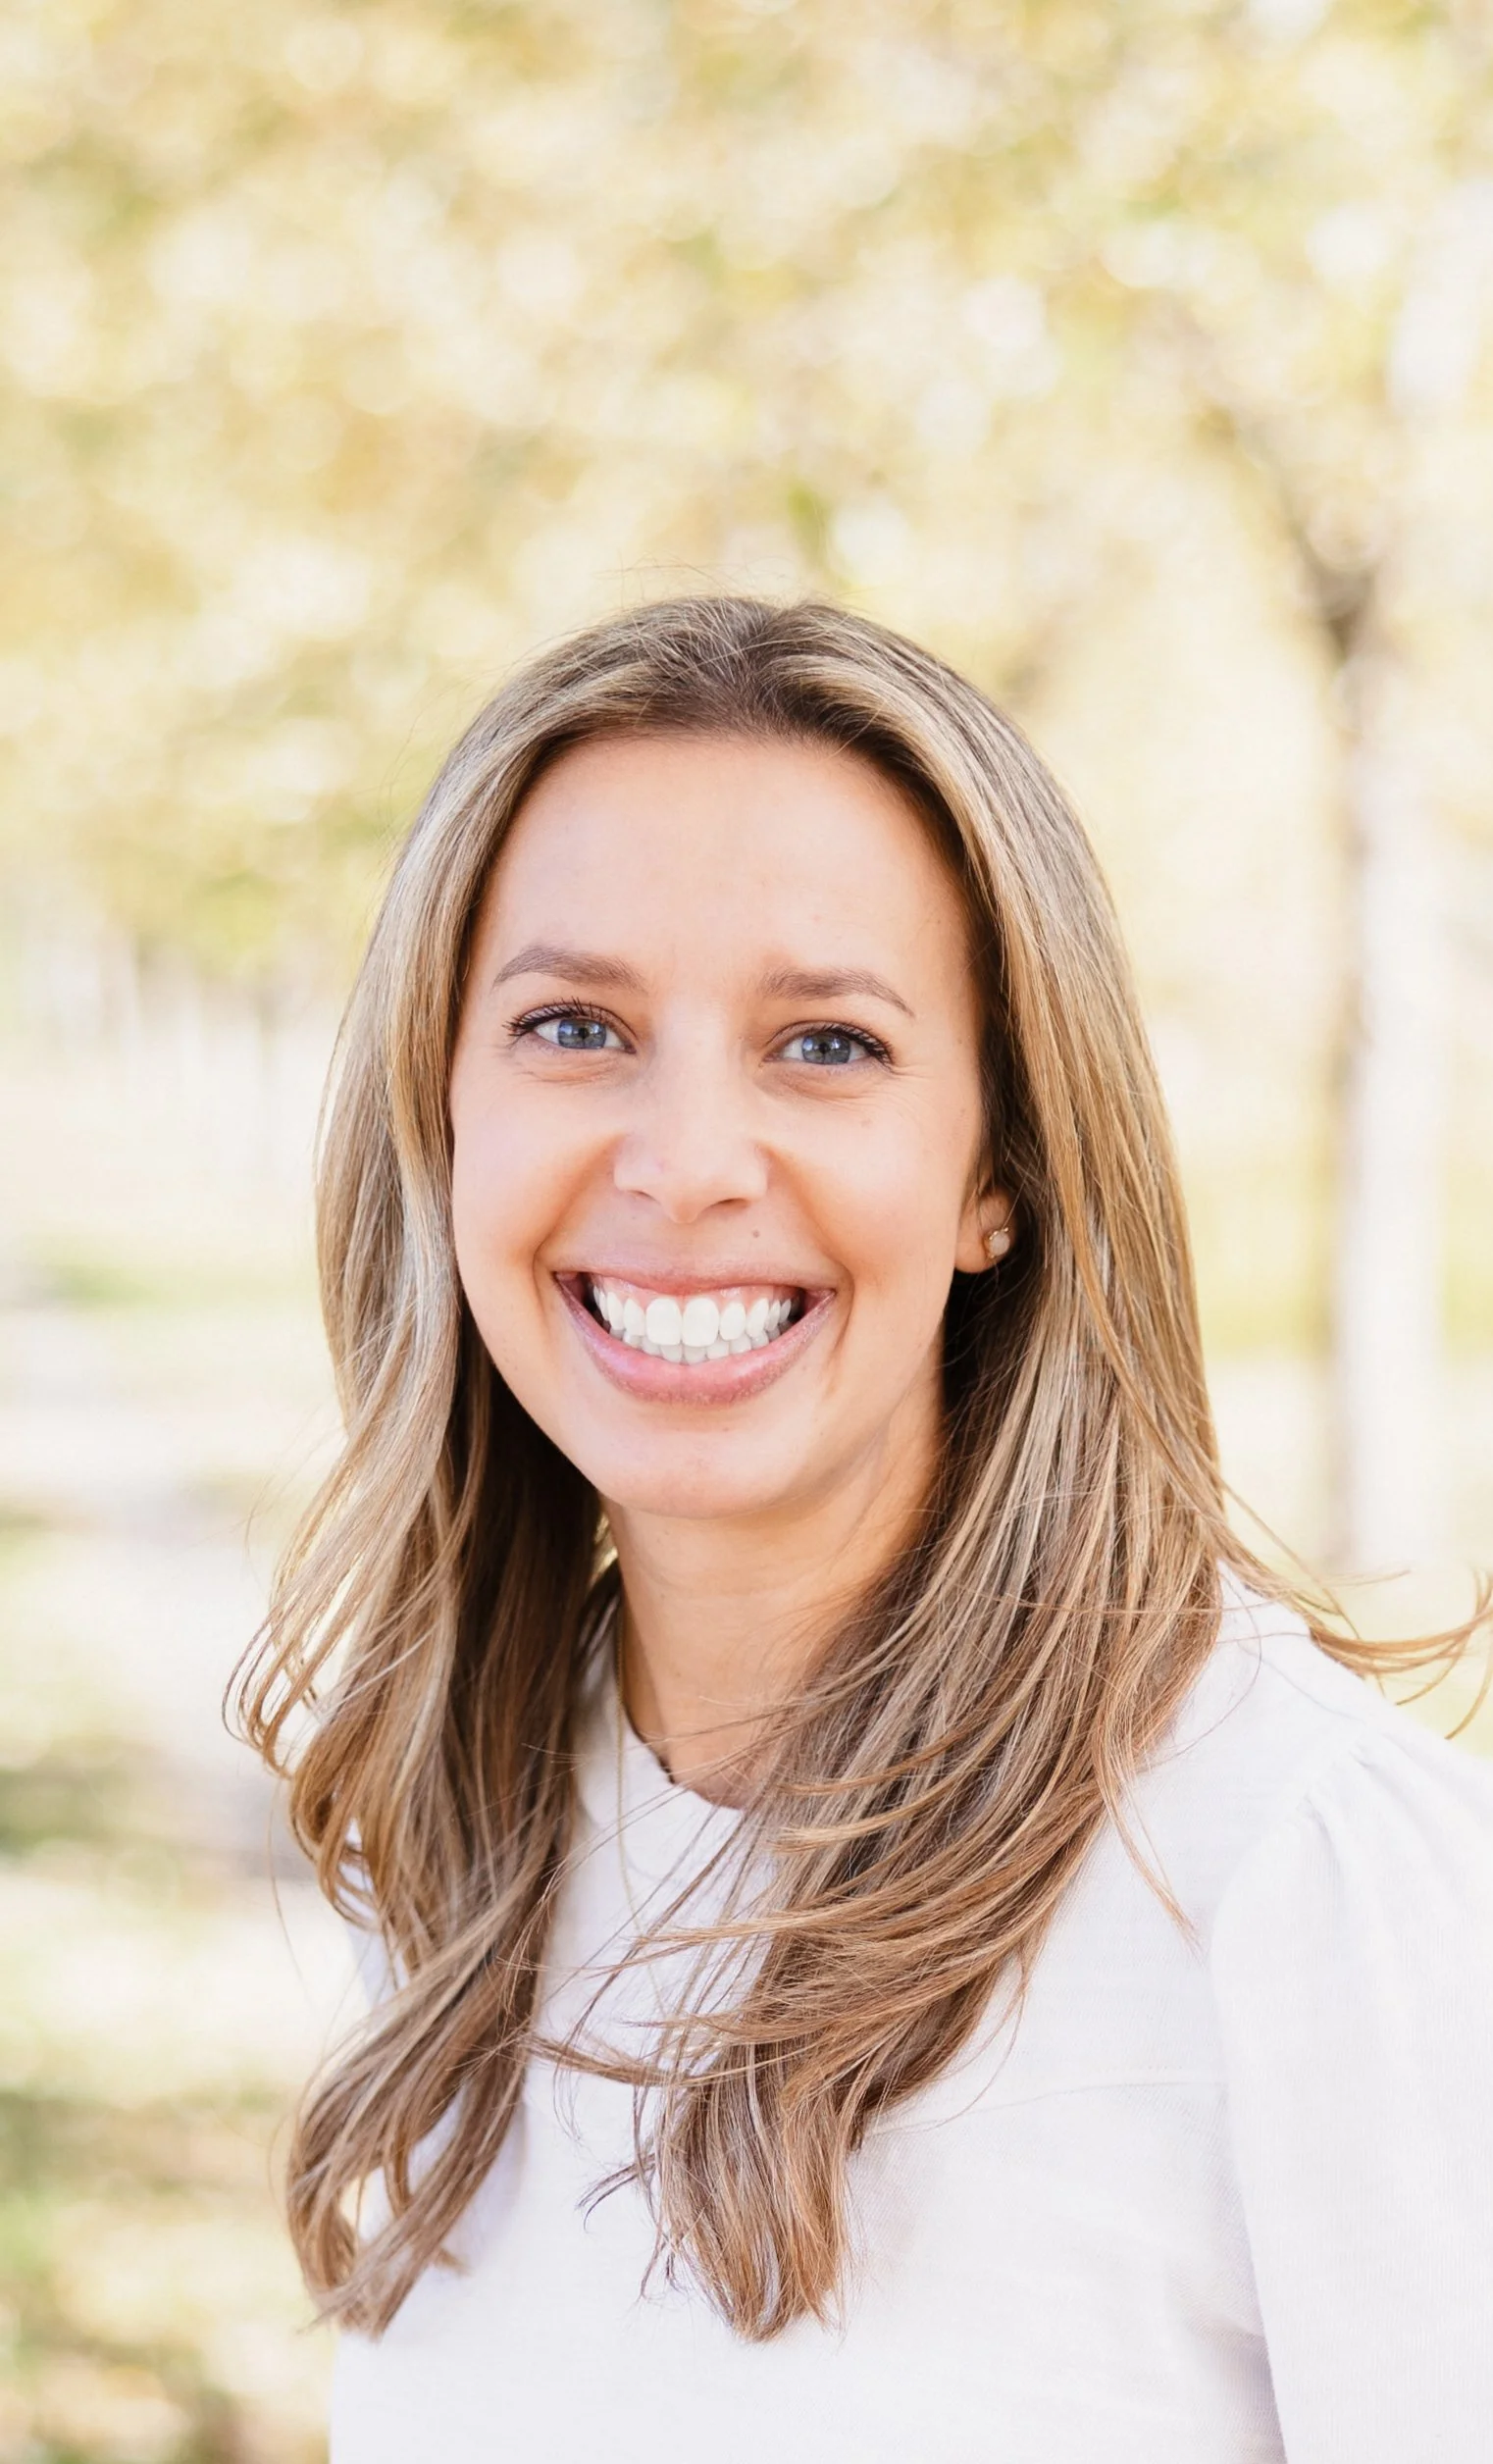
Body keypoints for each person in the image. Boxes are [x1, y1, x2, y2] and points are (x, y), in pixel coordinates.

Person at [240, 595, 1493, 2462]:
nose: (684, 1163)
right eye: (573, 1027)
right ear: (438, 1117)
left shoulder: (1301, 1880)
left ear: (1001, 1170)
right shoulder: (464, 1829)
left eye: (825, 1045)